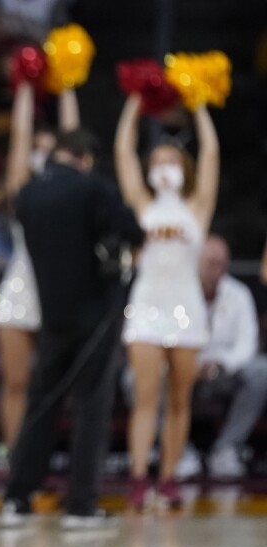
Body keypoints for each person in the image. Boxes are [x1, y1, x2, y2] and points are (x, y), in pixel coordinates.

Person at [0, 129, 144, 529]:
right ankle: (80, 505)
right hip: (94, 316)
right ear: (84, 157)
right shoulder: (92, 188)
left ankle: (17, 497)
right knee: (91, 409)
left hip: (50, 316)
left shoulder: (27, 195)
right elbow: (132, 232)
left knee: (41, 405)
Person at [115, 93, 220, 510]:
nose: (164, 169)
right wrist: (136, 102)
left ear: (184, 169)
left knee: (179, 399)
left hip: (187, 307)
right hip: (145, 306)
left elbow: (212, 151)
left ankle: (170, 476)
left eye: (172, 162)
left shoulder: (198, 207)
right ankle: (140, 477)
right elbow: (123, 150)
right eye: (157, 162)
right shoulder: (142, 205)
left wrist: (198, 101)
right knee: (145, 397)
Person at [0, 79, 79, 456]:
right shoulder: (22, 189)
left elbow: (73, 137)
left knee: (56, 385)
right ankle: (14, 462)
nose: (40, 155)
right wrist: (26, 85)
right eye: (36, 150)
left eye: (50, 150)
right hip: (20, 287)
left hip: (59, 289)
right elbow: (20, 138)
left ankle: (42, 461)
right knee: (15, 382)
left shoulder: (72, 188)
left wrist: (67, 83)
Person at [178, 235, 267, 479]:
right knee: (136, 379)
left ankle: (226, 449)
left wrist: (220, 363)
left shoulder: (238, 294)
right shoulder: (178, 293)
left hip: (223, 372)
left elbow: (247, 344)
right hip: (182, 372)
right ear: (195, 262)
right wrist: (190, 365)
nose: (214, 268)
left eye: (219, 263)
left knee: (262, 371)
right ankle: (177, 451)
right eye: (209, 262)